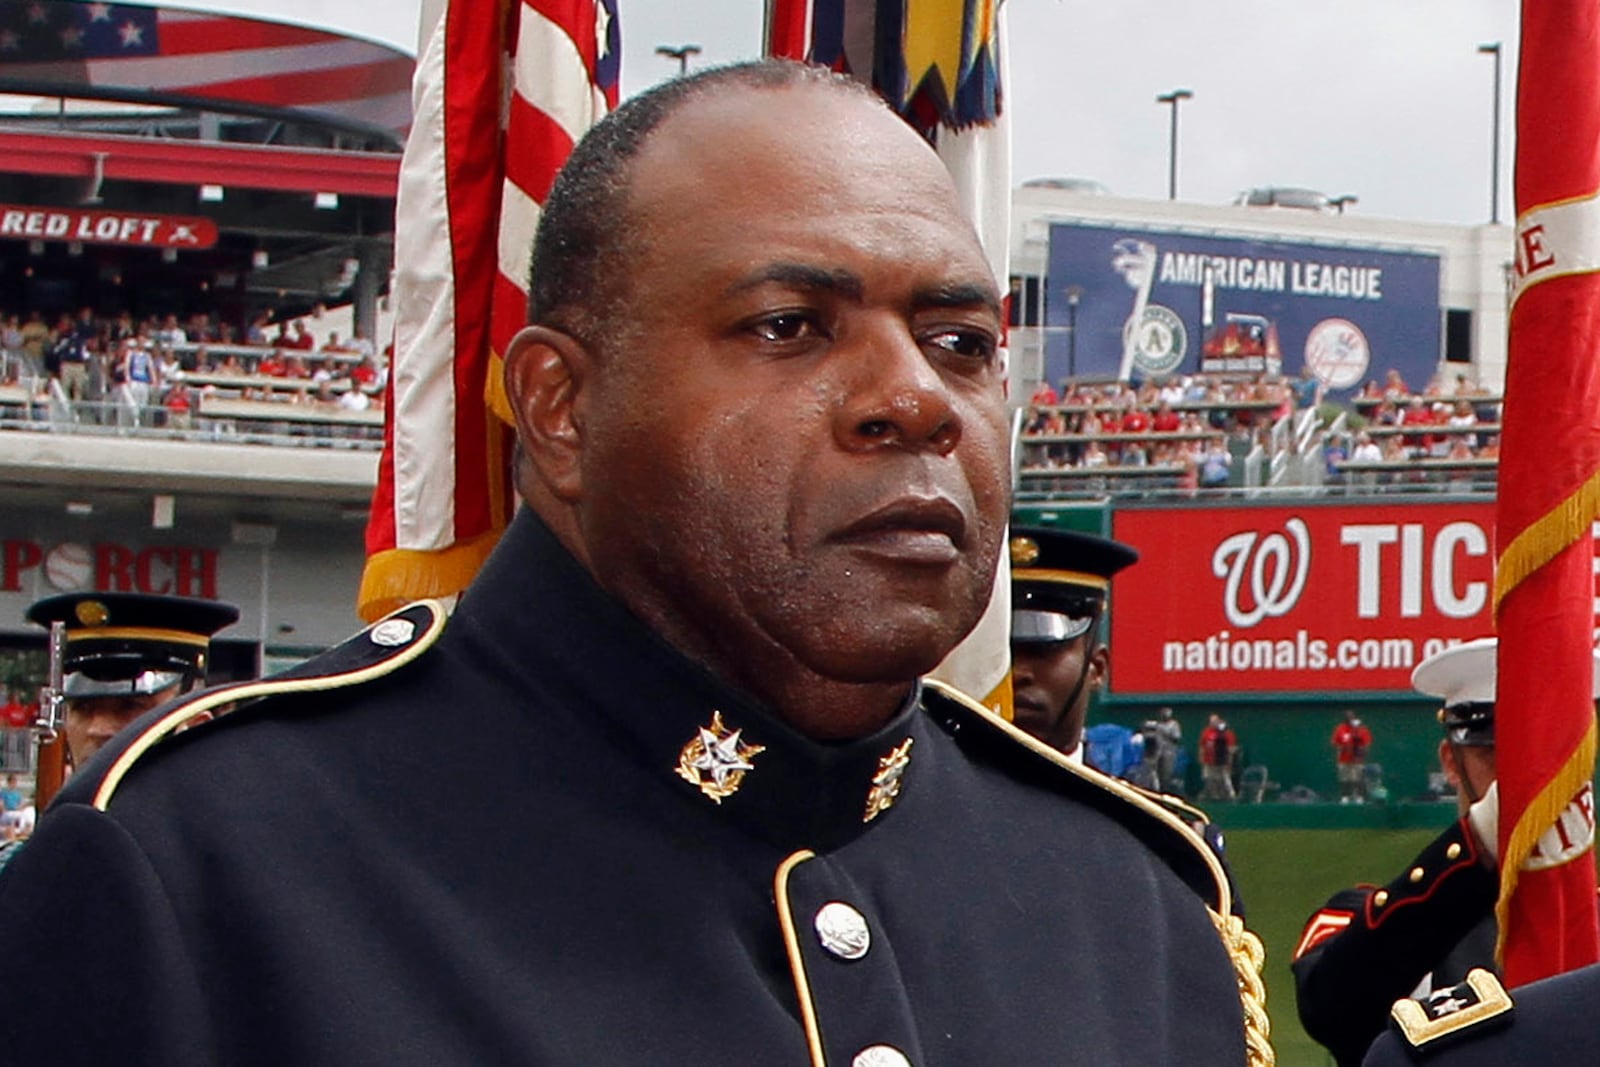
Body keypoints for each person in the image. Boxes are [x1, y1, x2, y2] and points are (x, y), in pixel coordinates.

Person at [0, 62, 1266, 1066]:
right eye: (789, 326)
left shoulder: (1132, 909)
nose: (913, 399)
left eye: (960, 339)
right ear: (557, 408)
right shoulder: (211, 870)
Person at [1296, 638, 1600, 1067]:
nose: (1523, 775)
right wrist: (1481, 839)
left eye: (1547, 760)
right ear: (1451, 762)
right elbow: (1331, 1004)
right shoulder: (1381, 920)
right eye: (1492, 752)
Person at [23, 591, 241, 769]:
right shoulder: (60, 822)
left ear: (194, 726)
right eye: (83, 707)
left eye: (129, 706)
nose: (97, 729)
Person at [1006, 525, 1138, 761]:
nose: (1017, 673)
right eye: (1000, 654)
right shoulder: (924, 796)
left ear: (1097, 667)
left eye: (1042, 650)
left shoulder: (1109, 800)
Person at [1333, 709, 1374, 804]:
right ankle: (1345, 797)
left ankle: (1359, 797)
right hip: (1343, 759)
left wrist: (1362, 752)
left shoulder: (1362, 730)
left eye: (1351, 716)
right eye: (1347, 716)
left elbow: (1367, 744)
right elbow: (1336, 742)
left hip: (1357, 760)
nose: (1349, 718)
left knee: (1357, 778)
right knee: (1344, 778)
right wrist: (1340, 751)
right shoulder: (1340, 729)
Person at [1200, 713, 1238, 799]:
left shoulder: (1227, 734)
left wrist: (1229, 760)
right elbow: (1202, 745)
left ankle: (1230, 794)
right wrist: (1201, 757)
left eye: (1215, 721)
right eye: (1211, 721)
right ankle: (1213, 795)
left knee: (1225, 778)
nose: (1213, 723)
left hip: (1223, 760)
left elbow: (1231, 748)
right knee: (1209, 778)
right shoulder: (1206, 732)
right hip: (1209, 760)